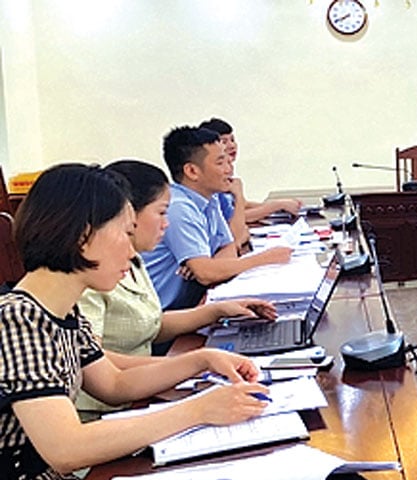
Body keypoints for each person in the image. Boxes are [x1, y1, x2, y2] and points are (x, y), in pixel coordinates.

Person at [0, 164, 270, 480]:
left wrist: (202, 359)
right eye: (125, 235)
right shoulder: (18, 318)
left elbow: (115, 383)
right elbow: (66, 448)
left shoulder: (61, 310)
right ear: (84, 235)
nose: (133, 252)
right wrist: (195, 410)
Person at [76, 160, 278, 420]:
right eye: (161, 213)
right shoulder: (91, 278)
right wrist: (194, 365)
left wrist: (216, 311)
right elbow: (98, 366)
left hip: (143, 394)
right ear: (128, 215)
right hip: (107, 412)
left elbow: (150, 325)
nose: (166, 224)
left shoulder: (133, 260)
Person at [142, 126, 292, 310]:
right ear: (192, 171)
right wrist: (264, 258)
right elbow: (206, 274)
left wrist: (208, 265)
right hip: (165, 318)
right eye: (221, 163)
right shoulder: (178, 207)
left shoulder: (209, 199)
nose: (229, 169)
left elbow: (229, 245)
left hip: (194, 303)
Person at [198, 117, 303, 245]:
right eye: (224, 141)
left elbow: (242, 204)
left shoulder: (224, 173)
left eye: (233, 140)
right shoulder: (212, 181)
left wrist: (280, 207)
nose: (231, 145)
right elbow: (238, 217)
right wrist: (276, 206)